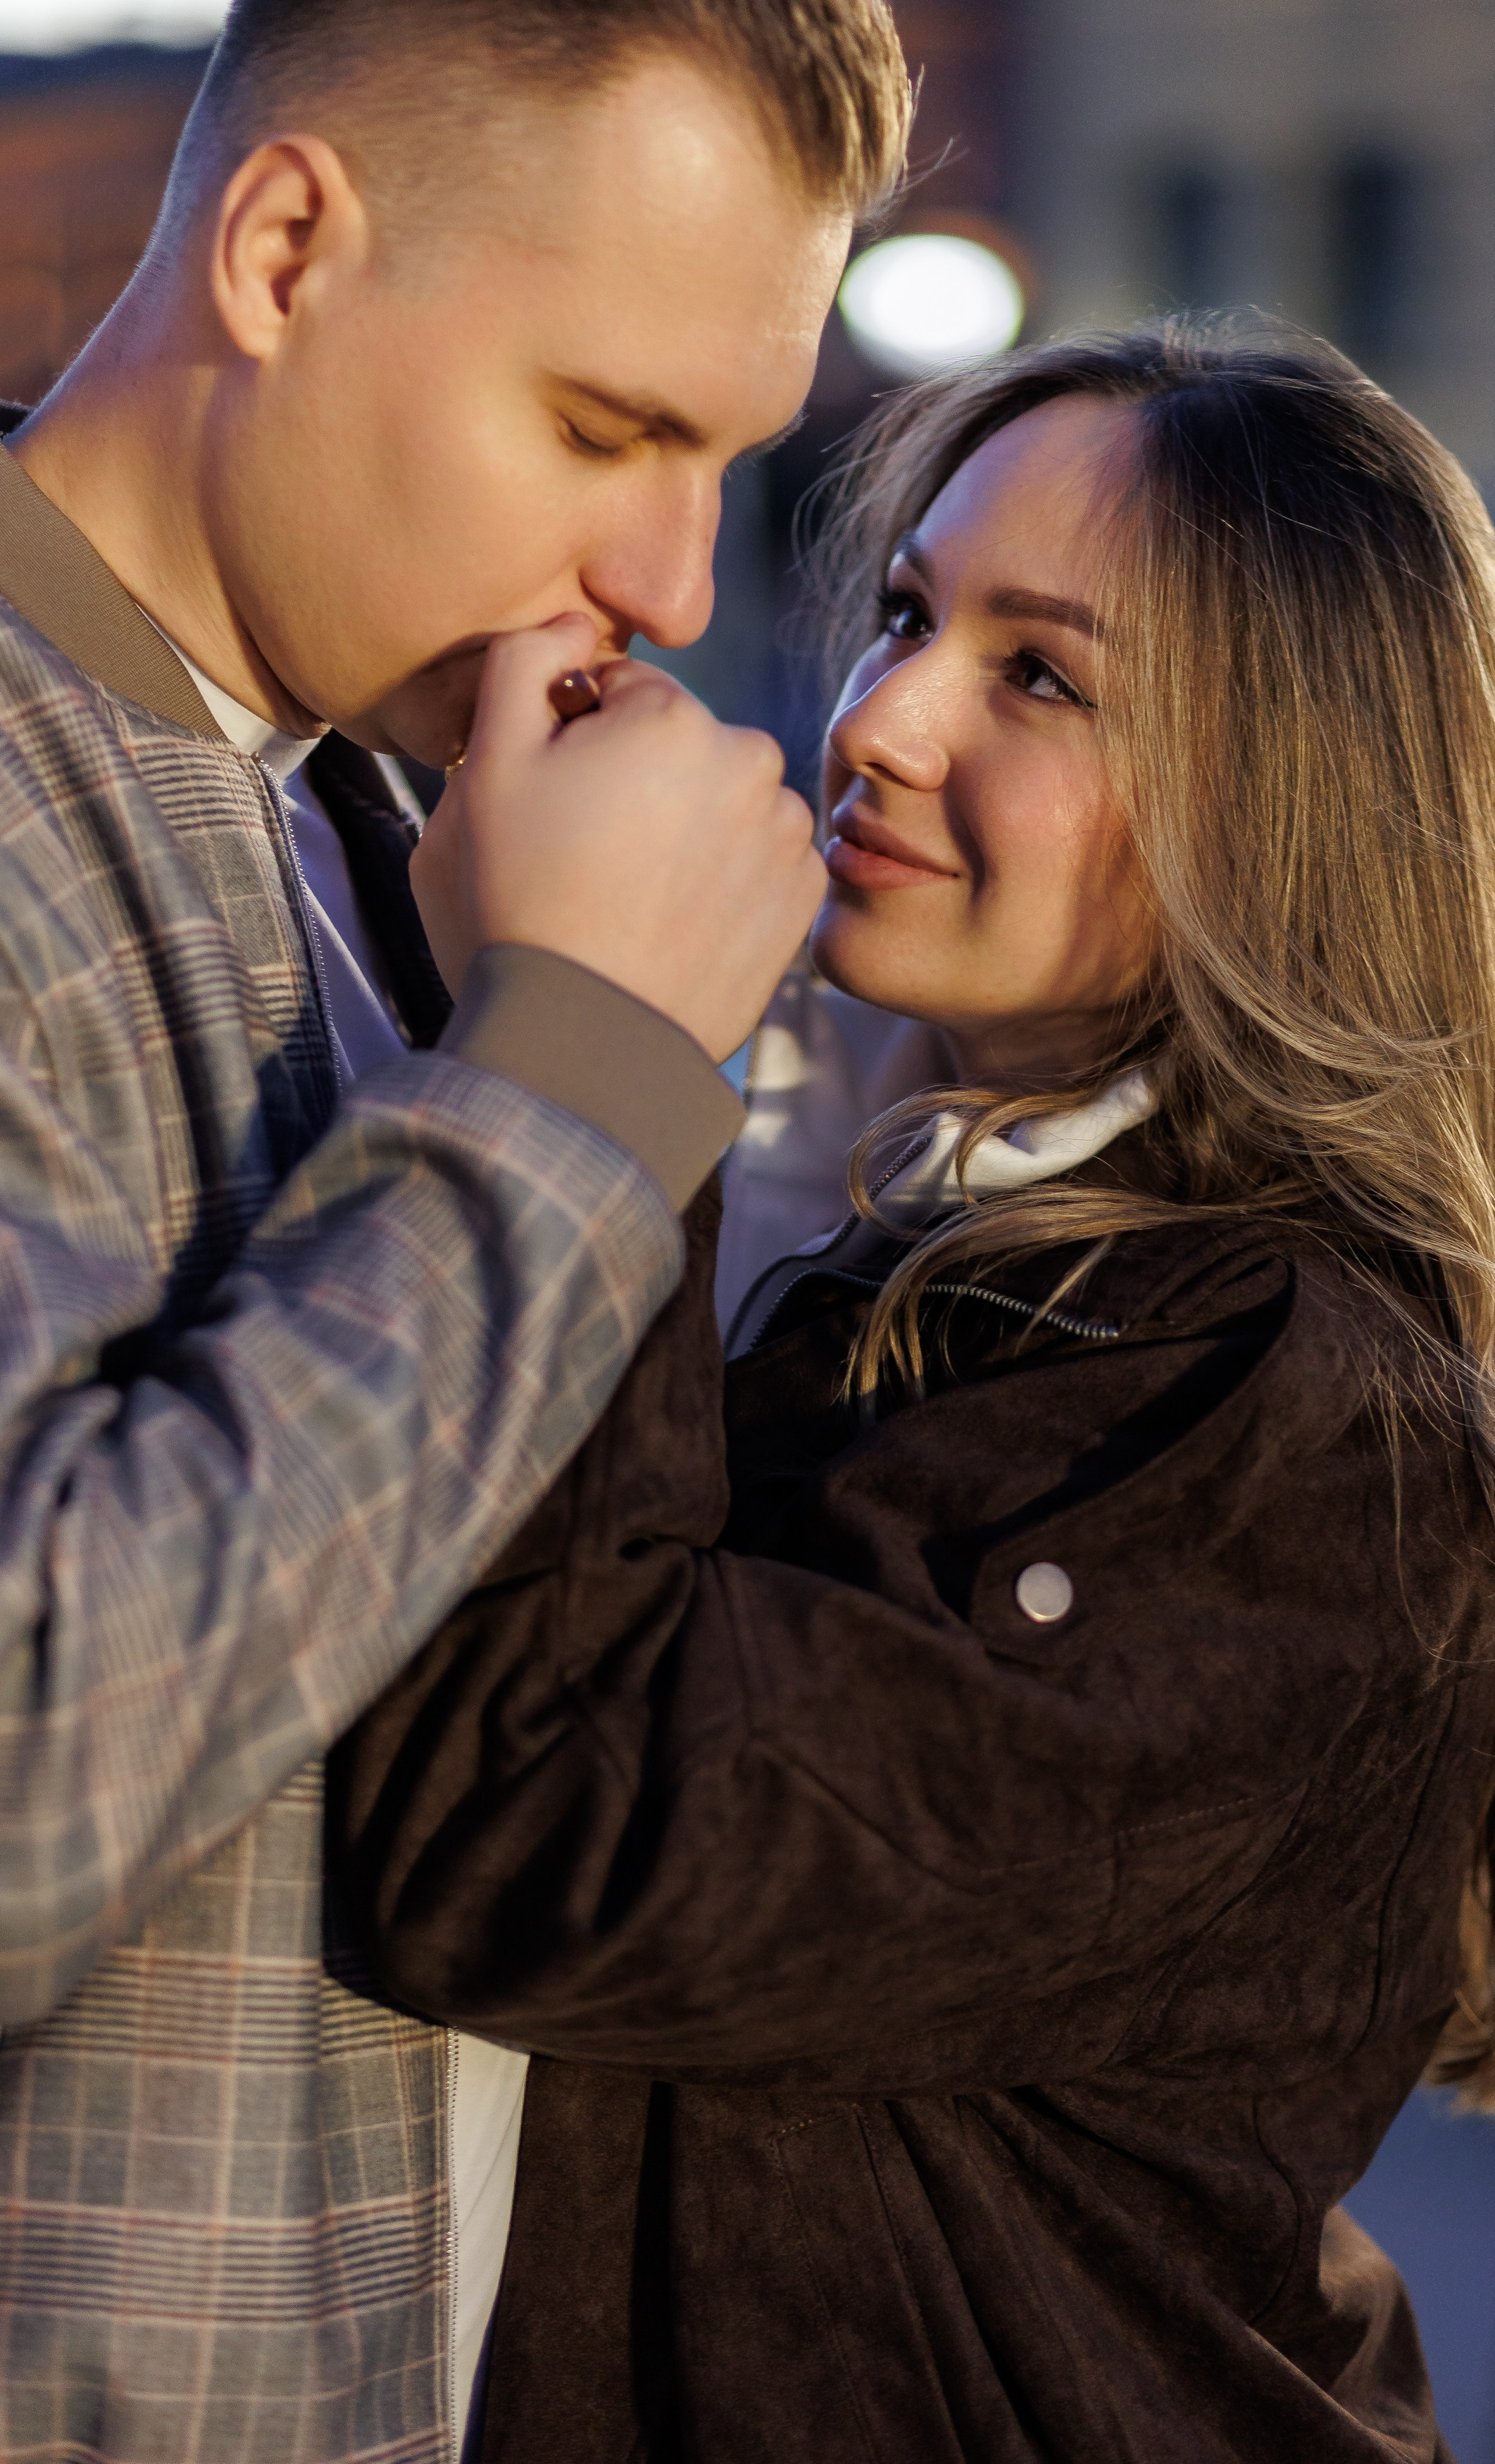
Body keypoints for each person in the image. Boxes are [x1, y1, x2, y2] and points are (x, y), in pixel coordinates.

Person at [337, 326, 1495, 2463]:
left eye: (1042, 676)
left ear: (1291, 815)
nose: (879, 717)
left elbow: (552, 1837)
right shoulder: (993, 1280)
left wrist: (591, 1045)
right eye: (907, 614)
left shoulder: (1289, 1415)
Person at [0, 2, 910, 2458]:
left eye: (731, 456)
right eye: (606, 429)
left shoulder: (371, 817)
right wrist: (580, 1067)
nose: (677, 574)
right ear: (288, 246)